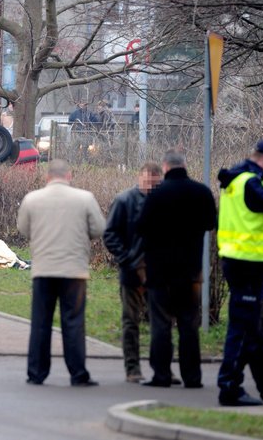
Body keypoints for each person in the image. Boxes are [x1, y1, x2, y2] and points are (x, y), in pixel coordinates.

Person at [17, 159, 106, 387]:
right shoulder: (85, 198)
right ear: (69, 176)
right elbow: (98, 229)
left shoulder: (32, 199)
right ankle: (78, 374)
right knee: (73, 322)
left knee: (41, 322)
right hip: (74, 271)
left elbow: (23, 229)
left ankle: (36, 373)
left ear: (47, 177)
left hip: (43, 269)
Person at [216, 140, 263, 407]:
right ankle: (229, 387)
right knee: (242, 327)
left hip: (241, 262)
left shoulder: (237, 180)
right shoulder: (249, 182)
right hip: (247, 263)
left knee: (256, 328)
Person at [137, 149, 216, 388]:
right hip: (190, 271)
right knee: (188, 324)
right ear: (184, 165)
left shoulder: (156, 195)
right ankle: (192, 377)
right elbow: (211, 223)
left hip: (160, 272)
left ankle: (161, 375)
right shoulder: (201, 192)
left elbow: (141, 227)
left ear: (165, 167)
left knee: (161, 324)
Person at [103, 162, 162, 383]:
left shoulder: (161, 201)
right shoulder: (124, 200)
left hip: (157, 272)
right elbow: (110, 234)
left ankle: (161, 368)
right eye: (148, 183)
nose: (151, 188)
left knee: (160, 321)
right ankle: (132, 368)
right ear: (140, 178)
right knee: (131, 320)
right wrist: (126, 259)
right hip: (132, 270)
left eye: (156, 184)